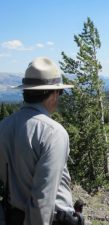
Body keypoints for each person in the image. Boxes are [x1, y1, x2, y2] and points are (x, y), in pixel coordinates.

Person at [0, 57, 83, 225]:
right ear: (52, 94)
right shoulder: (53, 133)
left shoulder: (4, 126)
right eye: (60, 92)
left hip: (11, 216)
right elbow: (42, 200)